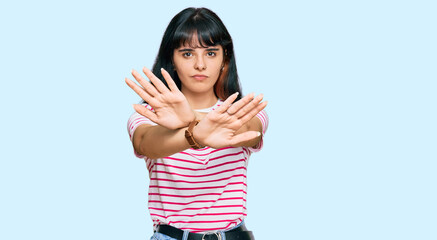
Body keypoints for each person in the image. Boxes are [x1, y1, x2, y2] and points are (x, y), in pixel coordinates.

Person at [125, 7, 268, 240]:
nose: (200, 65)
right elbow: (144, 143)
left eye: (211, 53)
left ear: (225, 59)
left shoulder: (245, 110)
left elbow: (250, 132)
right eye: (187, 53)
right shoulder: (151, 114)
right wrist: (195, 133)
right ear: (172, 59)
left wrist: (191, 120)